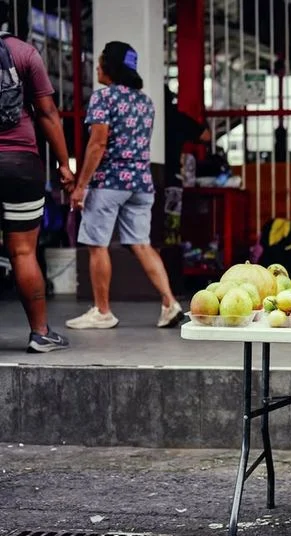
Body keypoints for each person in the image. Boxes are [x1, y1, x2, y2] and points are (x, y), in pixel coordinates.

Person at [66, 41, 183, 330]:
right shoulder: (145, 102)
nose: (96, 67)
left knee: (97, 245)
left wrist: (81, 186)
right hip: (142, 182)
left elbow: (98, 144)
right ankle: (170, 303)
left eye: (100, 62)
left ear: (110, 67)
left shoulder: (103, 98)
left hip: (109, 182)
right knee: (141, 244)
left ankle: (102, 311)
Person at [0, 0, 73, 352]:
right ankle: (41, 333)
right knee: (23, 251)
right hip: (20, 165)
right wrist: (64, 165)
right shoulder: (25, 53)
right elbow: (47, 112)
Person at [162, 87, 210, 245]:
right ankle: (170, 254)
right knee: (171, 225)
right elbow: (206, 136)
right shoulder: (178, 118)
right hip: (173, 177)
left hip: (149, 177)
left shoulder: (145, 117)